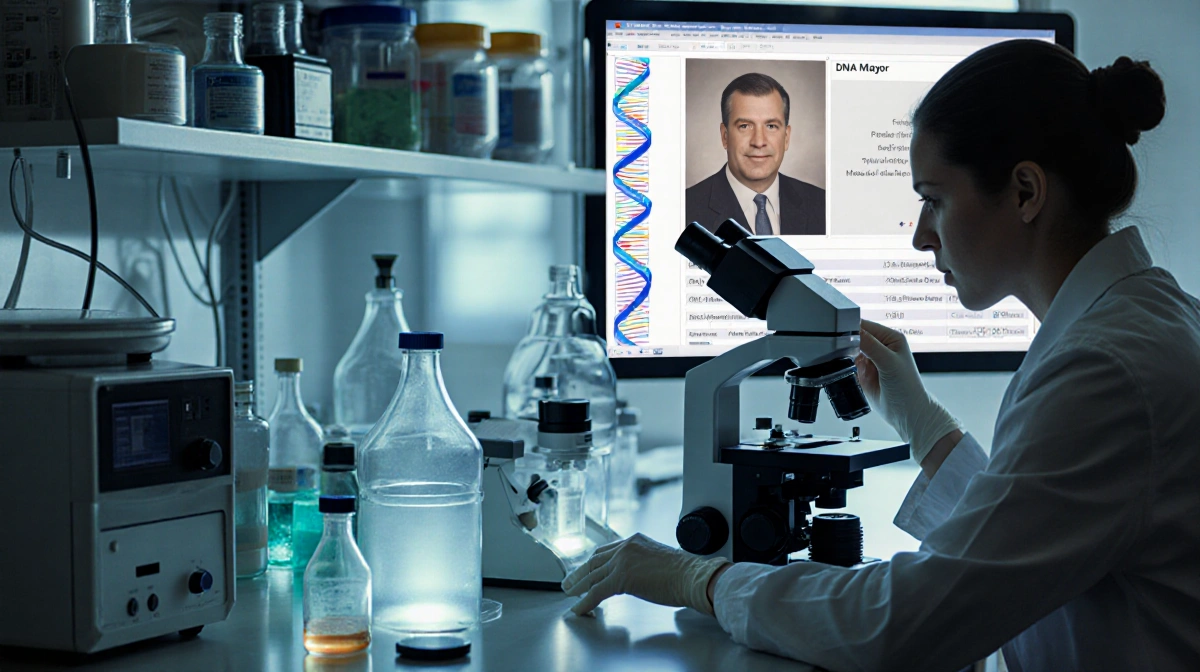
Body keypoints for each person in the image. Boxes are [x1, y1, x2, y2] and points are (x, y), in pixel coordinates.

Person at [563, 40, 1200, 672]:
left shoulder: (1104, 372)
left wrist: (695, 579)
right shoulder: (1142, 323)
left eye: (935, 199)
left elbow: (904, 623)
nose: (923, 237)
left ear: (1027, 191)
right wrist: (918, 419)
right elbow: (1026, 539)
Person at [685, 72, 826, 236]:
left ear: (786, 138)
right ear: (725, 136)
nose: (759, 142)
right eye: (745, 126)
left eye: (771, 126)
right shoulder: (685, 209)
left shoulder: (822, 204)